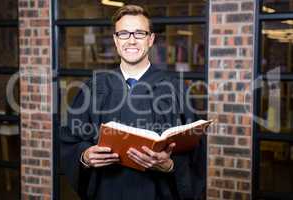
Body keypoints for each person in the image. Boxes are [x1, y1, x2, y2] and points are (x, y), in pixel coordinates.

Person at [60, 5, 206, 200]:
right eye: (123, 33)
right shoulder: (94, 87)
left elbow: (196, 153)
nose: (131, 40)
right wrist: (84, 156)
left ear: (151, 39)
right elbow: (69, 140)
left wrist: (171, 166)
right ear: (115, 40)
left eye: (139, 33)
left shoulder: (176, 90)